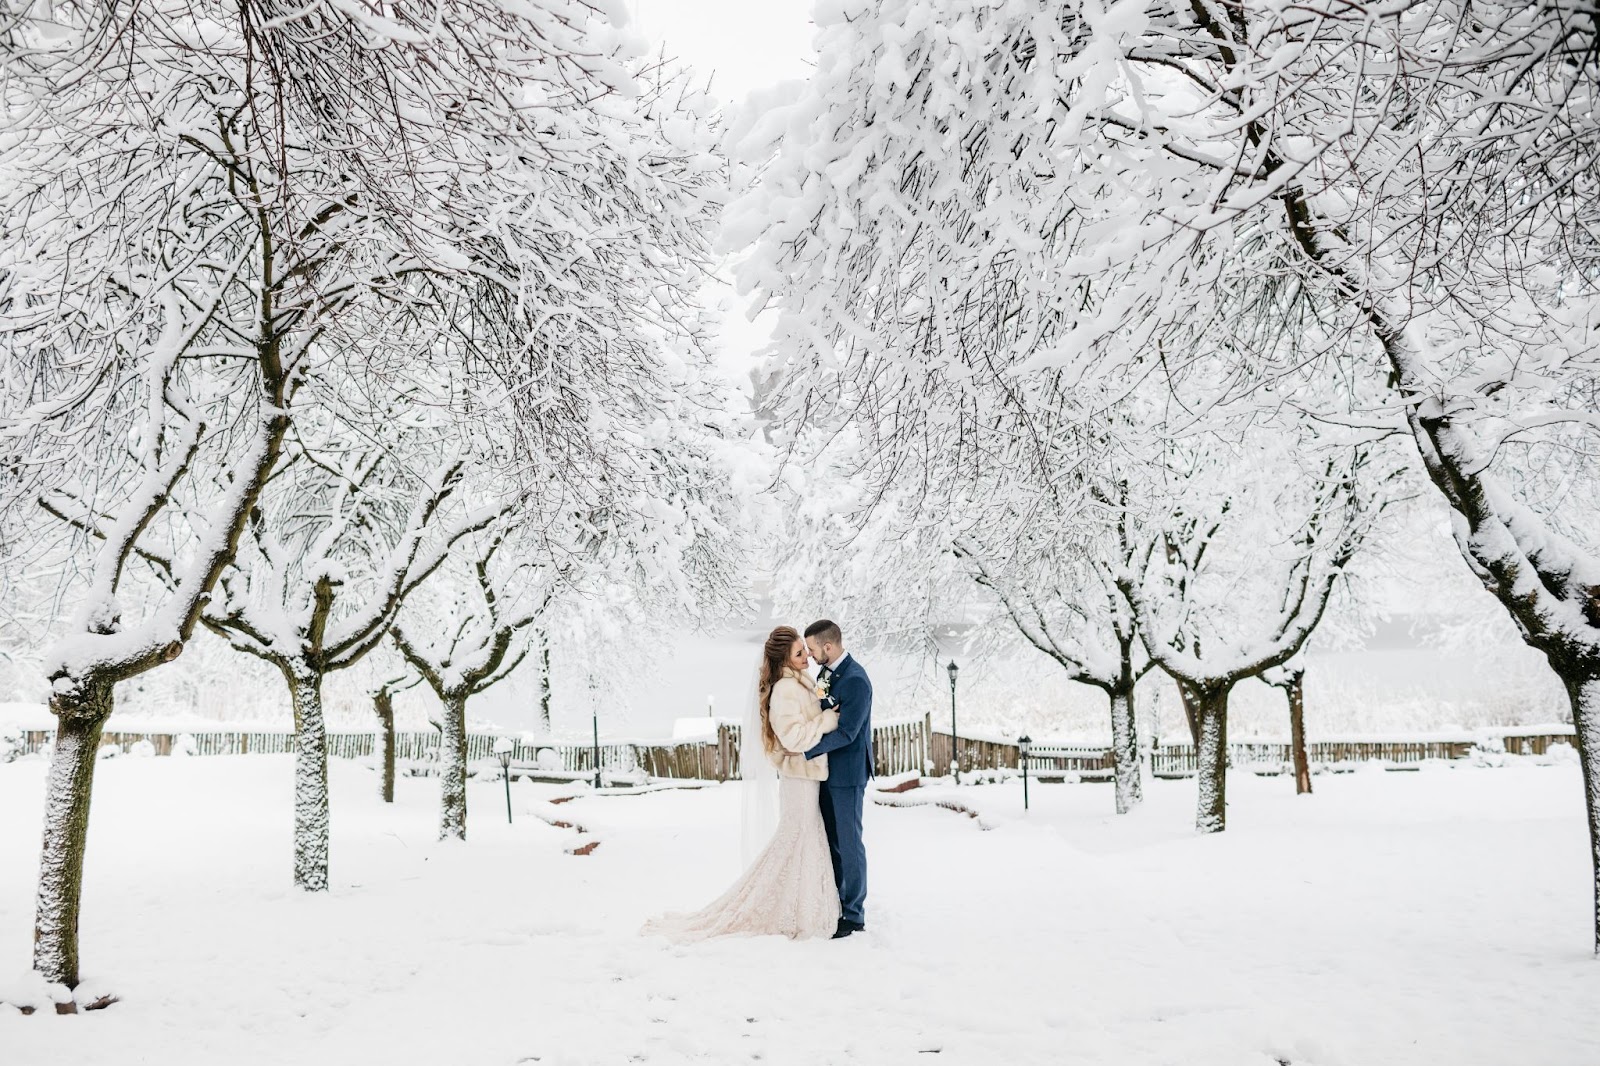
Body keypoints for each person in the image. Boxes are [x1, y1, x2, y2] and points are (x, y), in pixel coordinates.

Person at [642, 626, 842, 941]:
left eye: (805, 650)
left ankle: (800, 905)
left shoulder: (800, 682)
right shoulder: (786, 690)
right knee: (795, 840)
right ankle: (779, 907)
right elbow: (792, 737)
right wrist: (826, 721)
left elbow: (816, 699)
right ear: (784, 662)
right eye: (799, 654)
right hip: (799, 780)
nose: (806, 657)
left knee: (802, 841)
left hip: (806, 778)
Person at [800, 619, 874, 939]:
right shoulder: (827, 673)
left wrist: (806, 749)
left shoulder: (857, 680)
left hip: (848, 774)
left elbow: (847, 731)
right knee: (831, 841)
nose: (812, 656)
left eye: (814, 650)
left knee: (849, 843)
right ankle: (836, 900)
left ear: (828, 647)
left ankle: (855, 913)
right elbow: (824, 706)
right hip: (828, 772)